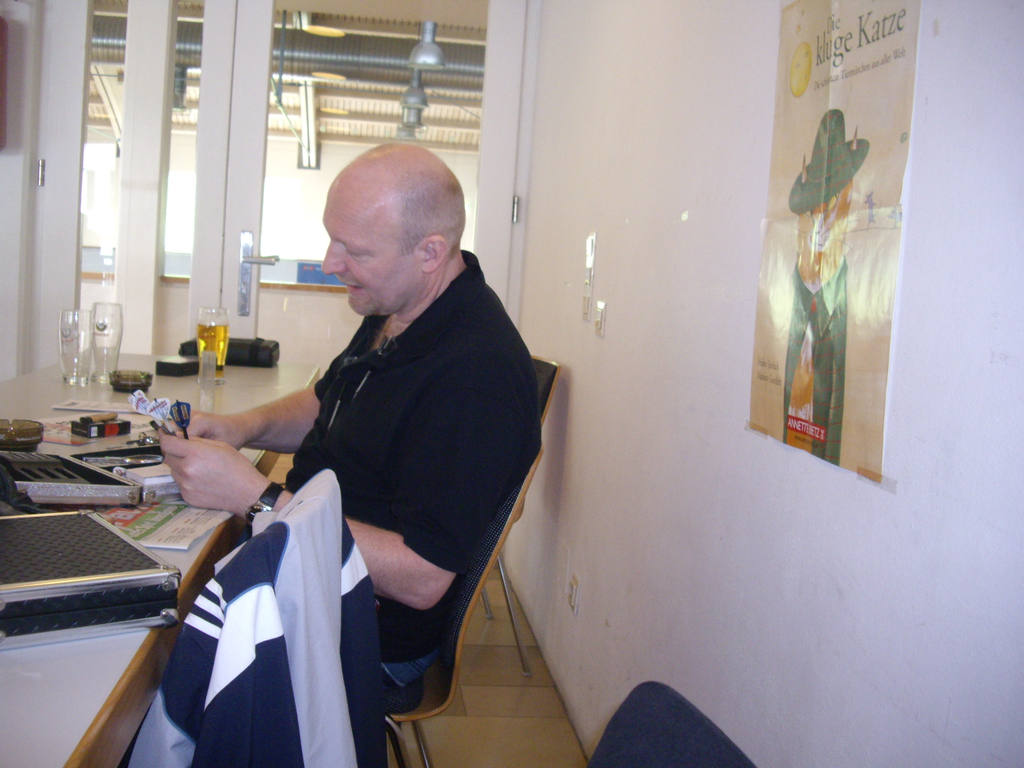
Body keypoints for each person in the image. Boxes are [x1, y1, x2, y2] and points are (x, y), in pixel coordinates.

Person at [160, 143, 541, 688]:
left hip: (359, 631)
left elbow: (421, 579)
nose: (329, 263)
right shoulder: (403, 304)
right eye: (331, 237)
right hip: (302, 571)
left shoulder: (475, 375)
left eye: (354, 250)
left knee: (146, 656)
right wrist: (241, 428)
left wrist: (258, 498)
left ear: (430, 252)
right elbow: (333, 398)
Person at [783, 109, 869, 465]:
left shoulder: (843, 293)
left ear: (846, 199)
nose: (820, 223)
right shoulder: (796, 284)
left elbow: (834, 418)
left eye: (830, 206)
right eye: (811, 212)